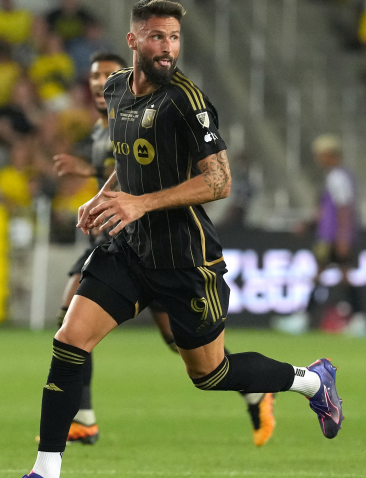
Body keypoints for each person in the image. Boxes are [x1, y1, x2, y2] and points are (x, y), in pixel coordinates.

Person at [21, 2, 343, 478]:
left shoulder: (186, 101)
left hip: (184, 261)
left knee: (211, 374)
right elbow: (130, 165)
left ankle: (312, 381)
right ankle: (46, 470)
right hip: (128, 252)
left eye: (173, 37)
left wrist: (139, 204)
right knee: (69, 340)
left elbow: (218, 181)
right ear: (133, 41)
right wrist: (105, 196)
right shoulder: (116, 91)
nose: (167, 47)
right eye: (156, 37)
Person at [50, 51, 276, 447]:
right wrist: (95, 184)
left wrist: (96, 177)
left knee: (195, 359)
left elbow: (174, 171)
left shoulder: (166, 106)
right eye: (93, 76)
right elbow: (124, 166)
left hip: (167, 245)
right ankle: (81, 417)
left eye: (106, 74)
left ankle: (256, 386)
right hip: (120, 240)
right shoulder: (102, 129)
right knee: (70, 317)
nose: (99, 82)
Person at [310, 135, 366, 331]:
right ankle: (358, 319)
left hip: (333, 237)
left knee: (332, 275)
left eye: (320, 155)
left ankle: (358, 319)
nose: (318, 159)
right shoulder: (340, 175)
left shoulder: (337, 176)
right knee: (331, 274)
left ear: (329, 155)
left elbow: (343, 208)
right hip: (332, 235)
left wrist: (343, 237)